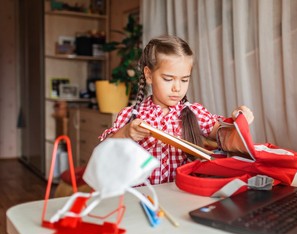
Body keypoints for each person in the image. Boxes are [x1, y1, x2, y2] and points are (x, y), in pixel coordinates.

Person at [99, 35, 254, 185]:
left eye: (184, 79)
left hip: (181, 195)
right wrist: (125, 133)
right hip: (142, 197)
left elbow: (224, 135)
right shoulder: (131, 115)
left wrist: (239, 122)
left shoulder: (193, 112)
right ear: (149, 75)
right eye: (168, 79)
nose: (177, 88)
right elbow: (103, 152)